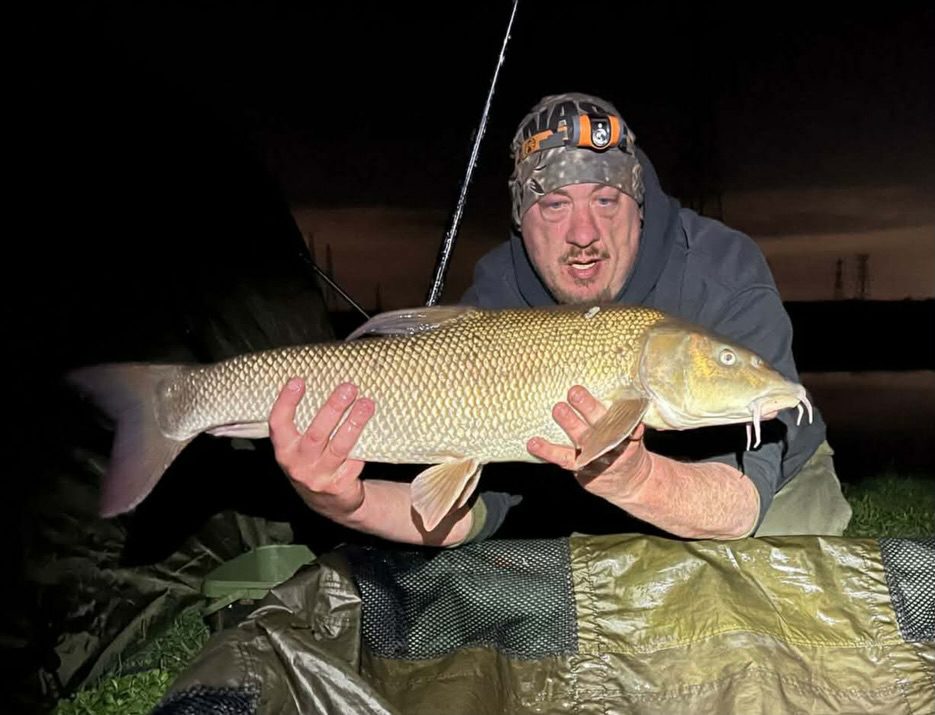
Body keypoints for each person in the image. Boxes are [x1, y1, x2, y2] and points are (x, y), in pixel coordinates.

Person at [268, 92, 853, 547]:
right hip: (570, 487)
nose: (583, 234)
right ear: (523, 217)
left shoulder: (722, 268)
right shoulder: (499, 292)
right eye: (554, 204)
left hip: (764, 486)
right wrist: (344, 502)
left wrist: (635, 480)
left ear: (638, 205)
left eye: (605, 200)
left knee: (776, 600)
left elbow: (739, 506)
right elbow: (465, 515)